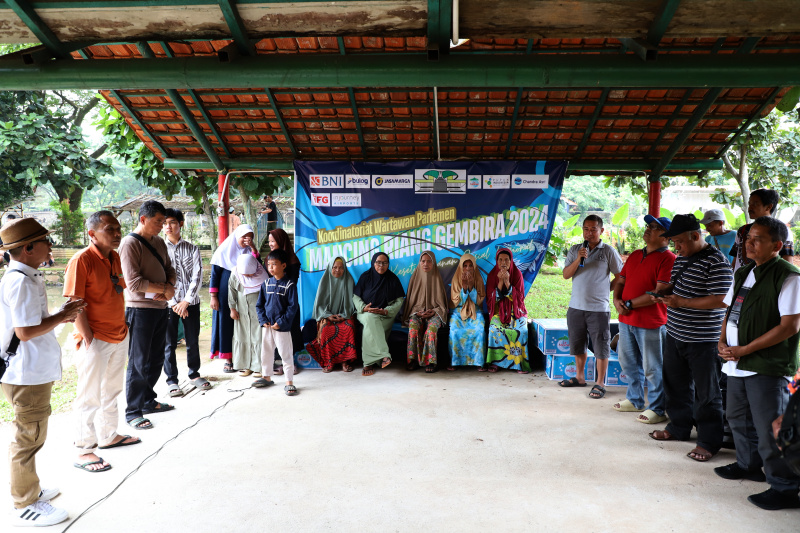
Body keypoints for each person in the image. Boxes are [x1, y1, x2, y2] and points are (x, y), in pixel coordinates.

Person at [1, 218, 86, 526]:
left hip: (31, 371)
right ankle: (24, 502)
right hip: (27, 374)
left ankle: (30, 488)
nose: (51, 246)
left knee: (32, 435)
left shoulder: (25, 276)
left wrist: (61, 318)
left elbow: (29, 322)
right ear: (28, 247)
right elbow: (24, 332)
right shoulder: (20, 280)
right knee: (29, 438)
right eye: (46, 241)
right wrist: (62, 315)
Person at [716, 216, 800, 510]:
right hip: (736, 360)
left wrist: (746, 348)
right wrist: (723, 341)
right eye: (747, 238)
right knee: (737, 415)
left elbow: (789, 326)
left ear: (776, 245)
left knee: (770, 427)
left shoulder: (789, 277)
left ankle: (785, 487)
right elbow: (730, 311)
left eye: (757, 239)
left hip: (766, 364)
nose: (748, 244)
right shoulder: (745, 272)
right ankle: (748, 464)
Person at [648, 214, 733, 462]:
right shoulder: (681, 259)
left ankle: (708, 441)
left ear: (696, 236)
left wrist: (682, 302)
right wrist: (663, 292)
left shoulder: (717, 261)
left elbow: (721, 299)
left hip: (703, 340)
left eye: (680, 242)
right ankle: (678, 428)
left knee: (707, 393)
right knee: (675, 386)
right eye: (673, 242)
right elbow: (675, 285)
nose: (676, 247)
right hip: (675, 334)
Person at [64, 211, 138, 474]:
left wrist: (122, 328)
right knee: (89, 394)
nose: (117, 233)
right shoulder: (81, 260)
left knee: (112, 389)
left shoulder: (114, 256)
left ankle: (108, 436)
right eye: (110, 229)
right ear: (92, 234)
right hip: (94, 339)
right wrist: (89, 339)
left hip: (119, 333)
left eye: (118, 228)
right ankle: (84, 448)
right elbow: (74, 305)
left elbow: (117, 288)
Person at [119, 200, 177, 430]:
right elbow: (133, 283)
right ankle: (133, 411)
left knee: (156, 358)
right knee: (138, 362)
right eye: (158, 222)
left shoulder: (160, 242)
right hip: (139, 310)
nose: (162, 226)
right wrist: (164, 289)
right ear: (143, 219)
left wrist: (169, 286)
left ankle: (147, 400)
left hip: (160, 308)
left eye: (163, 221)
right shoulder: (129, 243)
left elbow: (170, 269)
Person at [611, 215, 676, 423]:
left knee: (653, 366)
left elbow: (657, 294)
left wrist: (628, 304)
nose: (649, 229)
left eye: (656, 228)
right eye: (649, 226)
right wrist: (616, 299)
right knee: (628, 362)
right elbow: (620, 280)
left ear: (667, 238)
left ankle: (657, 408)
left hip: (651, 322)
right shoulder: (635, 255)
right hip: (626, 319)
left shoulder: (669, 259)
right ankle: (635, 399)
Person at [560, 215, 624, 397]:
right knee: (578, 344)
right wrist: (578, 258)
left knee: (601, 346)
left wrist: (607, 289)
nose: (589, 233)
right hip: (576, 307)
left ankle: (600, 382)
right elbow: (566, 275)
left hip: (599, 309)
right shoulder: (575, 250)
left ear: (601, 231)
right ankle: (579, 377)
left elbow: (620, 276)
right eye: (586, 229)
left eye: (593, 229)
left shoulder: (609, 251)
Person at [162, 208, 209, 395]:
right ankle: (172, 380)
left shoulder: (193, 248)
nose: (168, 226)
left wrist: (186, 301)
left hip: (191, 303)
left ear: (180, 224)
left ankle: (194, 374)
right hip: (168, 304)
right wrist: (174, 302)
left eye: (172, 222)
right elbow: (160, 277)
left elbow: (197, 276)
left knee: (192, 340)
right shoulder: (159, 250)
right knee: (169, 343)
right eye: (164, 223)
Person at [209, 224, 260, 372]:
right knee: (226, 323)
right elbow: (215, 275)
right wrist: (213, 297)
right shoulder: (223, 252)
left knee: (243, 324)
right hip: (225, 295)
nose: (247, 239)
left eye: (250, 236)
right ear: (237, 236)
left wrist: (253, 249)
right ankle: (228, 359)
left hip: (244, 296)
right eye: (244, 236)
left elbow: (257, 266)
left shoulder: (249, 252)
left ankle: (244, 357)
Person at [254, 249, 299, 395]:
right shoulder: (266, 284)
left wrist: (281, 322)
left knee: (286, 353)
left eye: (274, 264)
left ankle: (289, 382)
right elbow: (259, 305)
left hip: (281, 327)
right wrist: (263, 320)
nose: (271, 267)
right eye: (269, 264)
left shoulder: (289, 285)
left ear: (284, 265)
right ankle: (266, 377)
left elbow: (293, 308)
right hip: (267, 326)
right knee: (266, 352)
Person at [353, 252, 405, 376]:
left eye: (384, 263)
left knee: (369, 327)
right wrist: (364, 308)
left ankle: (368, 363)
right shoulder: (365, 277)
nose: (381, 266)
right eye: (378, 262)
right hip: (365, 312)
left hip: (385, 315)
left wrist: (387, 310)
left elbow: (399, 300)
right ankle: (384, 355)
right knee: (370, 317)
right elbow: (355, 297)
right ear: (373, 263)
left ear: (388, 264)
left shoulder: (392, 278)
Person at [305, 257, 358, 373]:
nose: (337, 270)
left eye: (341, 268)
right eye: (334, 268)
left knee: (348, 328)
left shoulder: (349, 280)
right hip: (327, 316)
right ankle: (330, 362)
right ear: (330, 268)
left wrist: (344, 315)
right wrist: (328, 315)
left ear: (344, 269)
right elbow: (319, 305)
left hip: (345, 315)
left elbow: (352, 304)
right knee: (326, 331)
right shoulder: (324, 281)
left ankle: (345, 362)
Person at [485, 248, 531, 373]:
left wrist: (508, 283)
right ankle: (495, 363)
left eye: (506, 259)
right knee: (494, 330)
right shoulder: (491, 275)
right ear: (497, 261)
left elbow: (520, 298)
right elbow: (490, 300)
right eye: (500, 260)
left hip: (515, 313)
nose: (503, 262)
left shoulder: (517, 274)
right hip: (498, 312)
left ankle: (518, 364)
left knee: (522, 331)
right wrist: (500, 282)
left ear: (511, 261)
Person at [402, 251, 449, 373]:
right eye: (423, 261)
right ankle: (412, 360)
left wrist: (434, 311)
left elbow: (442, 305)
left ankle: (431, 362)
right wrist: (417, 312)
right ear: (419, 263)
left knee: (431, 330)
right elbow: (410, 303)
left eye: (429, 261)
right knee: (413, 328)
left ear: (433, 263)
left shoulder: (437, 278)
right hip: (417, 313)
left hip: (434, 314)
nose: (425, 264)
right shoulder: (415, 277)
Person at [267, 228, 303, 373]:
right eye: (269, 241)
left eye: (272, 241)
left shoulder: (292, 260)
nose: (270, 244)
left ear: (281, 241)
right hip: (273, 302)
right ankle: (277, 362)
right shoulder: (269, 258)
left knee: (290, 330)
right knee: (275, 331)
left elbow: (292, 282)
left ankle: (290, 362)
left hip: (288, 302)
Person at [731, 189, 794, 272]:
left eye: (755, 204)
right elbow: (736, 259)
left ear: (769, 207)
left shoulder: (781, 230)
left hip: (767, 281)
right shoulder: (742, 230)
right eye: (749, 204)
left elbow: (787, 262)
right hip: (742, 281)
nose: (750, 207)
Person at [229, 254, 268, 377]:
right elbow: (231, 291)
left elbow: (267, 297)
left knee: (258, 338)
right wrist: (232, 308)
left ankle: (259, 367)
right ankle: (246, 366)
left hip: (258, 313)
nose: (248, 276)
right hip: (241, 312)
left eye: (250, 273)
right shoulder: (235, 274)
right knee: (243, 336)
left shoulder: (263, 276)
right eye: (245, 275)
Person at [448, 252, 487, 370]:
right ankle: (455, 362)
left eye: (470, 265)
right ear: (461, 266)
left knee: (479, 330)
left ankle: (479, 362)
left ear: (474, 266)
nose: (468, 268)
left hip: (476, 311)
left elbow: (479, 301)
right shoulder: (456, 279)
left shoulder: (478, 279)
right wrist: (464, 288)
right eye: (465, 266)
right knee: (454, 331)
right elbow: (455, 302)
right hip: (458, 312)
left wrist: (471, 287)